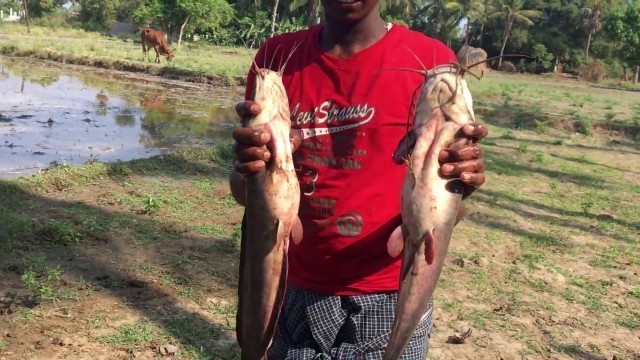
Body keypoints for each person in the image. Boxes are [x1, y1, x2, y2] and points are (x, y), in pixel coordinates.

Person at [229, 0, 488, 358]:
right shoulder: (277, 58)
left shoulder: (431, 62)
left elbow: (446, 209)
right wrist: (248, 168)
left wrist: (460, 182)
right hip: (293, 287)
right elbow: (244, 191)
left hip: (390, 293)